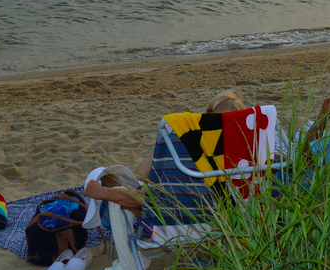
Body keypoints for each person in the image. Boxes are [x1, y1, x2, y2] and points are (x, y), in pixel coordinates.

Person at [82, 90, 249, 213]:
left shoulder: (182, 146)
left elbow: (140, 181)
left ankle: (105, 193)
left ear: (207, 117)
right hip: (230, 217)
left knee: (114, 182)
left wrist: (104, 193)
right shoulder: (251, 154)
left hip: (176, 219)